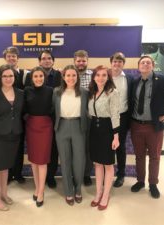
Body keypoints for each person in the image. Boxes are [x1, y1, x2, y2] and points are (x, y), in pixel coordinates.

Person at [130, 55, 164, 199]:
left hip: (154, 126)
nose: (145, 64)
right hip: (136, 125)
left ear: (153, 66)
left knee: (154, 157)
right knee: (139, 156)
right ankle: (140, 181)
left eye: (148, 62)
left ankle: (153, 184)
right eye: (142, 62)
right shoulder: (135, 81)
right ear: (138, 66)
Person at [0, 64, 24, 211]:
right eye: (5, 76)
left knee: (5, 168)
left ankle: (4, 194)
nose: (8, 78)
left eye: (11, 76)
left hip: (14, 135)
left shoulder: (21, 93)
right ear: (0, 78)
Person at [25, 50, 62, 189]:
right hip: (34, 123)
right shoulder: (30, 79)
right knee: (36, 154)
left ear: (53, 60)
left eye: (49, 58)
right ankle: (39, 182)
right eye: (43, 58)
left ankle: (50, 176)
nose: (46, 60)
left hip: (50, 121)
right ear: (39, 61)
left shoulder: (59, 74)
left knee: (52, 151)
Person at [53, 65, 88, 206]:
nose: (71, 78)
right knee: (65, 160)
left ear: (77, 77)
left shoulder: (84, 92)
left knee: (79, 161)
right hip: (61, 127)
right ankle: (68, 191)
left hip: (78, 126)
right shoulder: (56, 92)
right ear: (63, 77)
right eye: (68, 75)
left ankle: (78, 189)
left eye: (74, 75)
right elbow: (53, 110)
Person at [88, 65, 120, 210]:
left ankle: (106, 195)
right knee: (97, 163)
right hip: (94, 129)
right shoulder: (91, 92)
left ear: (108, 78)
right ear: (93, 77)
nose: (100, 78)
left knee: (108, 164)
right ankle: (98, 192)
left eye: (104, 75)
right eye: (98, 75)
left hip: (108, 130)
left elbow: (115, 115)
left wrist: (116, 137)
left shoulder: (112, 92)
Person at [24, 66, 53, 207]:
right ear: (32, 78)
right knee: (34, 161)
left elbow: (54, 109)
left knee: (42, 161)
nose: (38, 79)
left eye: (41, 76)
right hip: (31, 126)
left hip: (45, 126)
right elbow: (23, 109)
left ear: (44, 77)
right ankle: (37, 188)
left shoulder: (50, 91)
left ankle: (41, 192)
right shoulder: (27, 91)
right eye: (35, 76)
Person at [109, 52, 134, 188]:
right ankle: (108, 174)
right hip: (107, 117)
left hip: (123, 117)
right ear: (111, 63)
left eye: (120, 62)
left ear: (123, 64)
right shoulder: (105, 77)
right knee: (107, 147)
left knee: (120, 147)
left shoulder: (129, 79)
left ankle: (121, 175)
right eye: (115, 61)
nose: (117, 64)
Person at [3, 46, 27, 184]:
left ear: (18, 58)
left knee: (18, 147)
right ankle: (7, 174)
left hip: (20, 117)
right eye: (9, 56)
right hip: (5, 117)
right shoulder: (0, 74)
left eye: (14, 56)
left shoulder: (25, 74)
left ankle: (17, 173)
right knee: (6, 147)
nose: (11, 58)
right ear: (5, 58)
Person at [74, 50, 93, 186]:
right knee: (73, 148)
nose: (81, 63)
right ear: (74, 61)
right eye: (78, 61)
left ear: (87, 61)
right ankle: (74, 174)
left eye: (83, 61)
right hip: (71, 117)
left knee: (87, 148)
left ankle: (86, 174)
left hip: (88, 117)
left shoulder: (93, 76)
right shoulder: (68, 75)